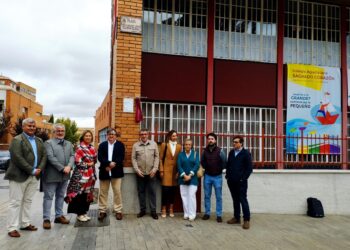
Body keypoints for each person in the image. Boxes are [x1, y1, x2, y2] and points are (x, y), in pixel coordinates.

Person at [5, 118, 47, 237]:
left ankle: (25, 223)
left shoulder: (39, 140)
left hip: (34, 176)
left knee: (27, 201)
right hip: (19, 176)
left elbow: (44, 155)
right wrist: (32, 170)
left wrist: (39, 169)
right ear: (23, 127)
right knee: (15, 202)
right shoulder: (17, 140)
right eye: (29, 126)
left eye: (33, 126)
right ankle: (12, 228)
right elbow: (17, 158)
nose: (32, 128)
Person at [42, 123, 74, 229]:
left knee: (60, 195)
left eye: (62, 131)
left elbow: (72, 156)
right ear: (54, 132)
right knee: (48, 197)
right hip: (51, 175)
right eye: (58, 131)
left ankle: (59, 216)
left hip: (64, 176)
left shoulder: (69, 143)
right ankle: (46, 219)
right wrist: (62, 168)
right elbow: (50, 157)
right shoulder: (48, 143)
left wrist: (69, 166)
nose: (60, 133)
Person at [65, 130, 97, 222]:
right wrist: (88, 164)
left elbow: (95, 160)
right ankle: (79, 214)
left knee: (86, 194)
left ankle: (84, 212)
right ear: (83, 137)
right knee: (79, 194)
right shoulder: (79, 148)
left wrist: (92, 163)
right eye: (86, 136)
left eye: (89, 136)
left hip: (90, 175)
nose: (88, 137)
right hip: (80, 175)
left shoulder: (92, 148)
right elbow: (78, 162)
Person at [97, 128, 125, 221]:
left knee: (117, 192)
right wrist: (108, 164)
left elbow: (121, 157)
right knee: (103, 192)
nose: (111, 136)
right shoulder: (102, 145)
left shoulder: (120, 145)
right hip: (104, 171)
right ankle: (102, 211)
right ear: (107, 136)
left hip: (116, 172)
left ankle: (118, 211)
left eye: (113, 134)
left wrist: (112, 165)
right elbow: (100, 157)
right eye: (109, 134)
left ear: (116, 136)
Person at [132, 128, 159, 220]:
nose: (143, 136)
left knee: (152, 192)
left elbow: (157, 157)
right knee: (141, 192)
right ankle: (142, 210)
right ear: (140, 135)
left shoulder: (154, 144)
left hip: (152, 173)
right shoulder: (136, 145)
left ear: (148, 135)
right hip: (140, 173)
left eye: (145, 134)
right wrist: (137, 170)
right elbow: (133, 159)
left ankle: (153, 211)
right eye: (142, 134)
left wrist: (155, 169)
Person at [226, 135, 253, 229]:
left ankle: (246, 220)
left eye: (236, 142)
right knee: (235, 200)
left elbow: (249, 169)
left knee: (243, 200)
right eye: (233, 142)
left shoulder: (246, 154)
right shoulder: (231, 153)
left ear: (241, 143)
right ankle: (236, 217)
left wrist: (243, 178)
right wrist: (227, 176)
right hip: (231, 181)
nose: (234, 143)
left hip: (241, 182)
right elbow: (228, 165)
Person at [200, 132, 226, 223]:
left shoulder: (220, 150)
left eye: (212, 139)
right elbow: (202, 161)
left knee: (218, 196)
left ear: (215, 140)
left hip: (217, 177)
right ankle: (207, 213)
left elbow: (224, 162)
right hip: (207, 176)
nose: (210, 140)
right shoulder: (204, 151)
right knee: (207, 196)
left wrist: (219, 169)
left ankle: (219, 215)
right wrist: (207, 168)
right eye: (209, 139)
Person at [159, 130, 182, 218]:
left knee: (173, 191)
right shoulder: (164, 145)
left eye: (176, 136)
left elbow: (180, 160)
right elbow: (161, 159)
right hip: (166, 171)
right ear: (169, 137)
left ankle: (171, 209)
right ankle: (164, 209)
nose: (174, 137)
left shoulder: (179, 147)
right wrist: (161, 170)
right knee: (165, 191)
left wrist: (179, 172)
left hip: (175, 172)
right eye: (173, 136)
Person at [177, 138, 200, 221]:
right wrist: (184, 175)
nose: (187, 146)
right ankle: (186, 214)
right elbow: (179, 165)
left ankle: (192, 214)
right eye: (186, 144)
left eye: (189, 144)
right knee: (184, 196)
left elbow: (197, 165)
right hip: (182, 179)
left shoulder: (195, 154)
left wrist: (190, 175)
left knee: (191, 196)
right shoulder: (180, 155)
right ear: (184, 145)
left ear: (191, 146)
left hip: (192, 179)